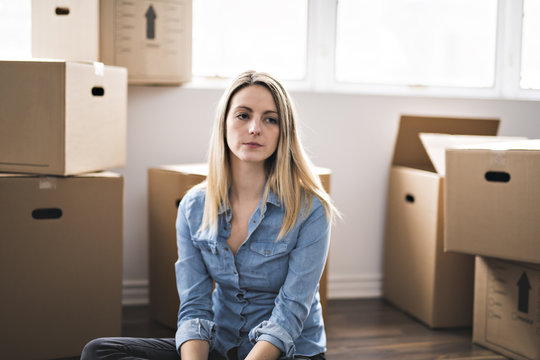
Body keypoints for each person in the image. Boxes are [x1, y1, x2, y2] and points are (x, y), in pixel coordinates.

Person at [81, 71, 338, 360]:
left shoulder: (311, 208)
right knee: (100, 352)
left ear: (284, 131)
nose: (255, 128)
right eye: (243, 115)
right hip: (223, 346)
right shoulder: (194, 206)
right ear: (224, 123)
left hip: (286, 352)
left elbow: (291, 312)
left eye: (270, 119)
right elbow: (194, 305)